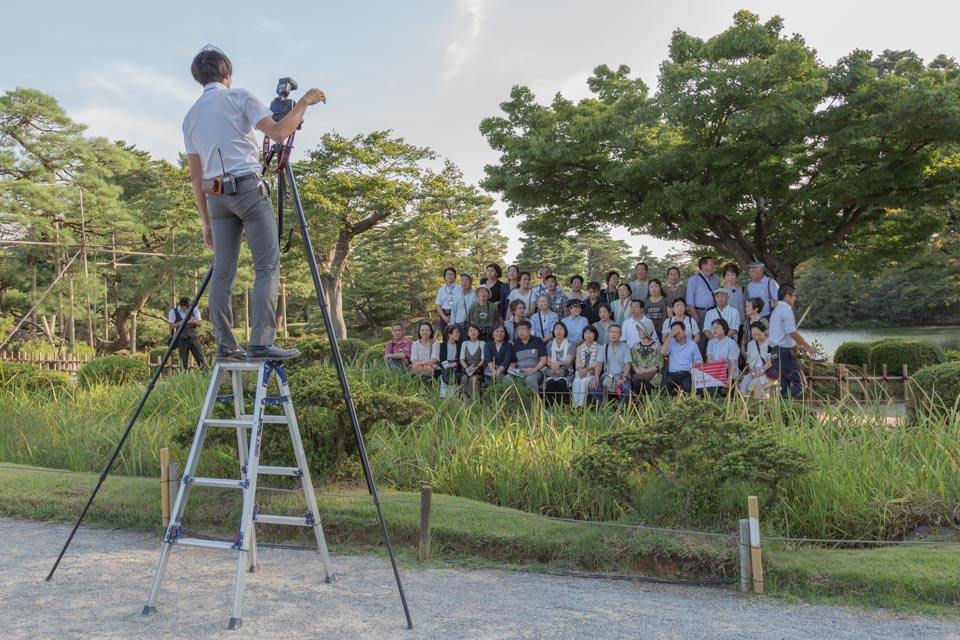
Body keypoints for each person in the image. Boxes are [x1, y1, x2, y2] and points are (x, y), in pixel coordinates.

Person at [183, 47, 325, 361]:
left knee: (223, 272)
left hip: (215, 196)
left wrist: (205, 222)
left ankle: (226, 346)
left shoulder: (190, 117)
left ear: (199, 78)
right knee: (266, 267)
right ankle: (261, 343)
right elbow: (278, 132)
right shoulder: (239, 97)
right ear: (227, 75)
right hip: (247, 188)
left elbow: (196, 178)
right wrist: (304, 102)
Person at [768, 285, 817, 399]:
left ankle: (779, 411)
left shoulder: (776, 311)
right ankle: (782, 404)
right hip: (784, 353)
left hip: (775, 353)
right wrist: (808, 347)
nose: (795, 298)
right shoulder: (786, 309)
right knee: (800, 384)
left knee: (785, 386)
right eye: (794, 296)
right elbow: (792, 333)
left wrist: (799, 347)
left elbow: (782, 336)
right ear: (787, 296)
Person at [590, 324, 631, 406]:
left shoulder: (625, 347)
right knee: (594, 385)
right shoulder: (604, 347)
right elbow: (599, 363)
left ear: (620, 335)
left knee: (626, 388)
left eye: (616, 332)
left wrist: (624, 377)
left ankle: (620, 408)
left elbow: (628, 364)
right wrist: (596, 377)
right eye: (611, 332)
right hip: (608, 376)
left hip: (622, 376)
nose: (613, 334)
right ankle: (604, 406)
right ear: (608, 334)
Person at [660, 321, 703, 395]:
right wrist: (669, 336)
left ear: (684, 331)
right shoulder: (671, 343)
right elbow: (663, 353)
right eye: (673, 331)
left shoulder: (692, 344)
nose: (676, 333)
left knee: (688, 387)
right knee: (664, 386)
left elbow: (699, 361)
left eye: (677, 331)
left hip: (687, 374)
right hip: (672, 374)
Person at [168, 296, 208, 371]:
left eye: (187, 308)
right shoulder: (173, 312)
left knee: (201, 358)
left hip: (194, 337)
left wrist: (195, 322)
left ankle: (206, 375)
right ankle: (183, 378)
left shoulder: (194, 310)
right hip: (181, 338)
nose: (186, 310)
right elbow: (171, 326)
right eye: (184, 308)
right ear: (181, 306)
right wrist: (181, 322)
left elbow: (200, 324)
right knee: (183, 361)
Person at [686, 256, 720, 344]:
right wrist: (694, 314)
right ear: (703, 266)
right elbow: (690, 299)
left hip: (713, 311)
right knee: (700, 337)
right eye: (711, 264)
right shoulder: (694, 279)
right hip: (700, 312)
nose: (714, 266)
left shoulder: (716, 279)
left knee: (714, 334)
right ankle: (700, 357)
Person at [509, 320, 548, 392]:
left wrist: (533, 369)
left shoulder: (537, 341)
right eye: (519, 329)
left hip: (535, 371)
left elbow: (543, 360)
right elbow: (513, 362)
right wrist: (511, 369)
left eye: (523, 329)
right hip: (519, 372)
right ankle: (513, 402)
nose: (521, 332)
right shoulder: (516, 344)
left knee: (530, 379)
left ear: (529, 330)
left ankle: (535, 402)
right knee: (507, 379)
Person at [543, 322, 576, 405]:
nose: (558, 331)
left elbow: (568, 361)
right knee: (550, 383)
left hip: (566, 371)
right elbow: (548, 362)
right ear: (553, 331)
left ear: (565, 331)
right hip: (552, 370)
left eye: (561, 329)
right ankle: (549, 406)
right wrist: (554, 366)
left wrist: (557, 364)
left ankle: (561, 406)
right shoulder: (549, 345)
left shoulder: (571, 344)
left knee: (561, 382)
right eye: (556, 329)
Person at [739, 322, 774, 398]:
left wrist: (761, 371)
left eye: (759, 334)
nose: (756, 337)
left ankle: (759, 402)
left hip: (767, 370)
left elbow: (771, 360)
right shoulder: (751, 344)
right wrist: (751, 371)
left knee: (755, 385)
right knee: (744, 384)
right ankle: (743, 405)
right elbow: (749, 361)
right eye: (754, 335)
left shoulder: (770, 342)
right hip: (754, 371)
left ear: (764, 331)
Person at [629, 324, 663, 397]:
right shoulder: (635, 346)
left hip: (653, 376)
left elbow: (659, 364)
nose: (639, 332)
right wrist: (637, 369)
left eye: (641, 330)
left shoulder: (657, 346)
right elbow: (633, 362)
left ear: (647, 331)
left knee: (647, 386)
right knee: (637, 383)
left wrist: (646, 371)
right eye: (638, 330)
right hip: (638, 375)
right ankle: (638, 405)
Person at [706, 318, 740, 391]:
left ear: (724, 329)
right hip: (714, 371)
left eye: (717, 327)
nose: (714, 330)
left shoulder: (731, 343)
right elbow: (709, 361)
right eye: (713, 328)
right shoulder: (711, 343)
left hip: (727, 372)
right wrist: (720, 362)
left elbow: (732, 363)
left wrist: (729, 379)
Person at [572, 325, 600, 408]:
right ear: (583, 335)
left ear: (595, 335)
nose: (588, 335)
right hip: (580, 372)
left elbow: (597, 363)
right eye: (586, 333)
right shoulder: (579, 347)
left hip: (592, 373)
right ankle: (574, 405)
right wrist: (581, 370)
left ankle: (581, 405)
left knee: (585, 382)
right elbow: (577, 363)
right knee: (576, 381)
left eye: (591, 333)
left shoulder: (599, 347)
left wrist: (587, 369)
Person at [720, 263, 748, 340]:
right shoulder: (721, 290)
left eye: (732, 275)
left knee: (742, 345)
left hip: (742, 323)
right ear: (725, 276)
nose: (730, 278)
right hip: (728, 323)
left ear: (736, 275)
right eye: (727, 275)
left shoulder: (743, 289)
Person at [458, 323, 486, 398]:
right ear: (468, 333)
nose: (473, 332)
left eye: (475, 330)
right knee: (463, 379)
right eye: (471, 331)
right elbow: (461, 359)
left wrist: (476, 368)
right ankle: (463, 400)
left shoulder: (482, 343)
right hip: (466, 370)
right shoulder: (464, 343)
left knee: (473, 380)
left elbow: (483, 359)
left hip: (478, 370)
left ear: (478, 333)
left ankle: (475, 400)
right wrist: (467, 368)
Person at [435, 267, 461, 339]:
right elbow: (438, 305)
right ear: (445, 276)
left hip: (457, 314)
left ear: (455, 276)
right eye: (447, 274)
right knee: (445, 336)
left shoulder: (460, 288)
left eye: (452, 274)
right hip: (444, 314)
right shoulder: (441, 290)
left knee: (457, 335)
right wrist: (443, 316)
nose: (449, 276)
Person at [439, 324, 462, 398]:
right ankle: (443, 398)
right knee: (445, 377)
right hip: (445, 367)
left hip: (455, 368)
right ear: (449, 334)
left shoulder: (459, 345)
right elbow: (441, 359)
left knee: (453, 379)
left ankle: (453, 399)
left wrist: (455, 363)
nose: (458, 334)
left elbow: (460, 358)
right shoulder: (442, 345)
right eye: (456, 332)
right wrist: (447, 365)